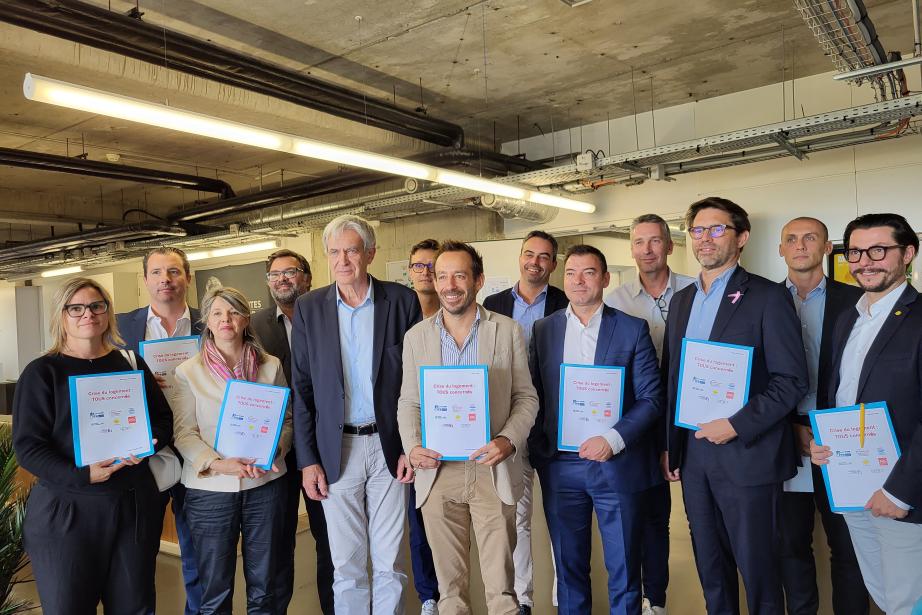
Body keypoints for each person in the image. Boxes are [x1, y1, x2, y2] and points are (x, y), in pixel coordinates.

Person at [661, 197, 807, 615]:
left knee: (757, 567)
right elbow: (673, 377)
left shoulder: (766, 296)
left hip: (747, 452)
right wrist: (671, 445)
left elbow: (791, 380)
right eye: (698, 231)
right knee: (710, 565)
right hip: (694, 455)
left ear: (741, 237)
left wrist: (737, 424)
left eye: (717, 229)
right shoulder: (683, 301)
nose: (705, 239)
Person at [13, 277, 173, 615]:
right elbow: (29, 447)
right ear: (62, 315)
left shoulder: (130, 364)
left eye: (96, 306)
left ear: (107, 312)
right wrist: (83, 475)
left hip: (132, 506)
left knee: (135, 606)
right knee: (68, 607)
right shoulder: (43, 372)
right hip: (67, 510)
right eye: (77, 308)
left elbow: (162, 420)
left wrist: (143, 445)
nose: (88, 314)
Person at [397, 240, 539, 615]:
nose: (449, 284)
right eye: (441, 276)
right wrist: (412, 446)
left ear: (478, 281)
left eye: (459, 275)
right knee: (451, 593)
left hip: (493, 471)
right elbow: (408, 402)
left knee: (502, 593)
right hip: (438, 472)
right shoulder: (416, 337)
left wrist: (508, 440)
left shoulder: (506, 331)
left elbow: (526, 398)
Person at [291, 214, 420, 614]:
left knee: (389, 564)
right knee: (345, 565)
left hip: (390, 449)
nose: (343, 259)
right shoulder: (308, 307)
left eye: (351, 249)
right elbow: (303, 390)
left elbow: (416, 382)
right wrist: (308, 460)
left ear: (370, 253)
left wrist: (411, 445)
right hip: (336, 451)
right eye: (334, 251)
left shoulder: (401, 301)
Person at [529, 244, 662, 614]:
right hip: (561, 466)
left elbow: (652, 399)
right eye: (571, 273)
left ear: (604, 279)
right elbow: (533, 394)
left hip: (615, 465)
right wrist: (541, 450)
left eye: (589, 272)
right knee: (569, 570)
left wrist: (612, 439)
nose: (578, 280)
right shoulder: (544, 330)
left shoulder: (632, 329)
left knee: (623, 570)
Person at [811, 213, 922, 614]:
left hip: (902, 492)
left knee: (910, 600)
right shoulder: (848, 318)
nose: (864, 261)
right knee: (883, 592)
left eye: (879, 249)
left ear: (907, 253)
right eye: (855, 251)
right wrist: (819, 441)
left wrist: (901, 491)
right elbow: (839, 396)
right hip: (851, 483)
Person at [172, 286, 293, 614]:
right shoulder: (188, 372)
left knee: (265, 586)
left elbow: (288, 420)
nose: (226, 319)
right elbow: (183, 433)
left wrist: (273, 452)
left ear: (246, 318)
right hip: (210, 491)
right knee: (214, 590)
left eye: (234, 312)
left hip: (264, 486)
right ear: (207, 321)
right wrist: (219, 464)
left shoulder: (270, 366)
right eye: (217, 313)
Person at [776, 217, 867, 615]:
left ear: (827, 247)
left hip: (841, 439)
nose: (800, 246)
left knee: (847, 545)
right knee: (791, 545)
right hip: (782, 439)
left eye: (810, 238)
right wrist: (792, 427)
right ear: (781, 250)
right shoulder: (762, 299)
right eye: (791, 240)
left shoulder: (857, 300)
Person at [604, 214, 694, 615]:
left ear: (670, 245)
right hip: (636, 420)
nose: (647, 250)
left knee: (675, 517)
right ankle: (639, 596)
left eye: (655, 241)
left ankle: (655, 599)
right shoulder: (614, 301)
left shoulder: (695, 291)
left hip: (686, 414)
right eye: (638, 242)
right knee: (642, 512)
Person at [483, 229, 567, 614]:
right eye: (529, 253)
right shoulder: (493, 303)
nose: (535, 261)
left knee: (561, 519)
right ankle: (523, 599)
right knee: (515, 518)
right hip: (510, 424)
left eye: (544, 256)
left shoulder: (566, 303)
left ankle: (562, 597)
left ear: (554, 263)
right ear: (520, 256)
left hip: (554, 425)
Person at [117, 246, 203, 615]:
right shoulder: (121, 326)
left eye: (173, 271)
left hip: (198, 448)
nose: (165, 280)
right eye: (156, 273)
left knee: (198, 552)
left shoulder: (211, 321)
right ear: (146, 279)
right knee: (138, 555)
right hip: (145, 451)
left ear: (187, 277)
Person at [249, 248, 334, 615]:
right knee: (278, 539)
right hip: (276, 444)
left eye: (291, 272)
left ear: (308, 278)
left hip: (321, 441)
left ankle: (334, 607)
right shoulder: (253, 326)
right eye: (275, 274)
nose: (283, 279)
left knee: (327, 537)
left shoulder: (328, 316)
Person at [406, 238, 442, 614]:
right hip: (415, 436)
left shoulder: (455, 314)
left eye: (433, 265)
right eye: (419, 265)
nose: (426, 272)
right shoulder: (400, 314)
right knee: (418, 519)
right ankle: (428, 595)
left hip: (456, 430)